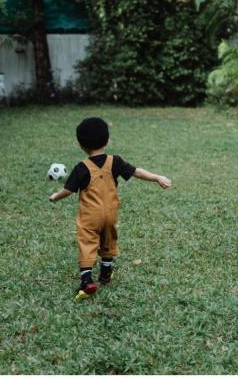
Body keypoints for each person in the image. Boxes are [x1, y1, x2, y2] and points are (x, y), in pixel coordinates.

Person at [49, 116, 173, 300]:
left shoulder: (81, 168)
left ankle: (87, 281)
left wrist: (55, 196)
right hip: (111, 214)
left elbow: (68, 190)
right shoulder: (115, 161)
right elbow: (137, 171)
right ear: (107, 141)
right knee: (108, 239)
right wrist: (157, 177)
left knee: (87, 243)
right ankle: (106, 273)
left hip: (90, 217)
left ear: (81, 145)